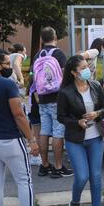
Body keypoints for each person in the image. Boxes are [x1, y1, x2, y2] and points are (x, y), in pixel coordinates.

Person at [0, 48, 48, 206]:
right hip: (10, 139)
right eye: (7, 63)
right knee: (24, 181)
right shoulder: (7, 85)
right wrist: (32, 140)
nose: (11, 66)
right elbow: (18, 114)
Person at [57, 55, 104, 206]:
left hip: (95, 137)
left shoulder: (95, 86)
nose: (87, 70)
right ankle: (75, 202)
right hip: (75, 139)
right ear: (73, 72)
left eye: (87, 66)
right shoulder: (65, 92)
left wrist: (97, 113)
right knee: (81, 176)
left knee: (95, 175)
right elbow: (61, 117)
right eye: (83, 68)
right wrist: (77, 122)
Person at [33, 27, 73, 178]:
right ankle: (57, 167)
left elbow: (34, 78)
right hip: (57, 99)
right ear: (55, 37)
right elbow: (65, 76)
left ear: (42, 39)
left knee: (44, 131)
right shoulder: (59, 54)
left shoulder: (38, 54)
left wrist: (36, 96)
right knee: (58, 133)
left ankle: (44, 165)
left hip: (42, 99)